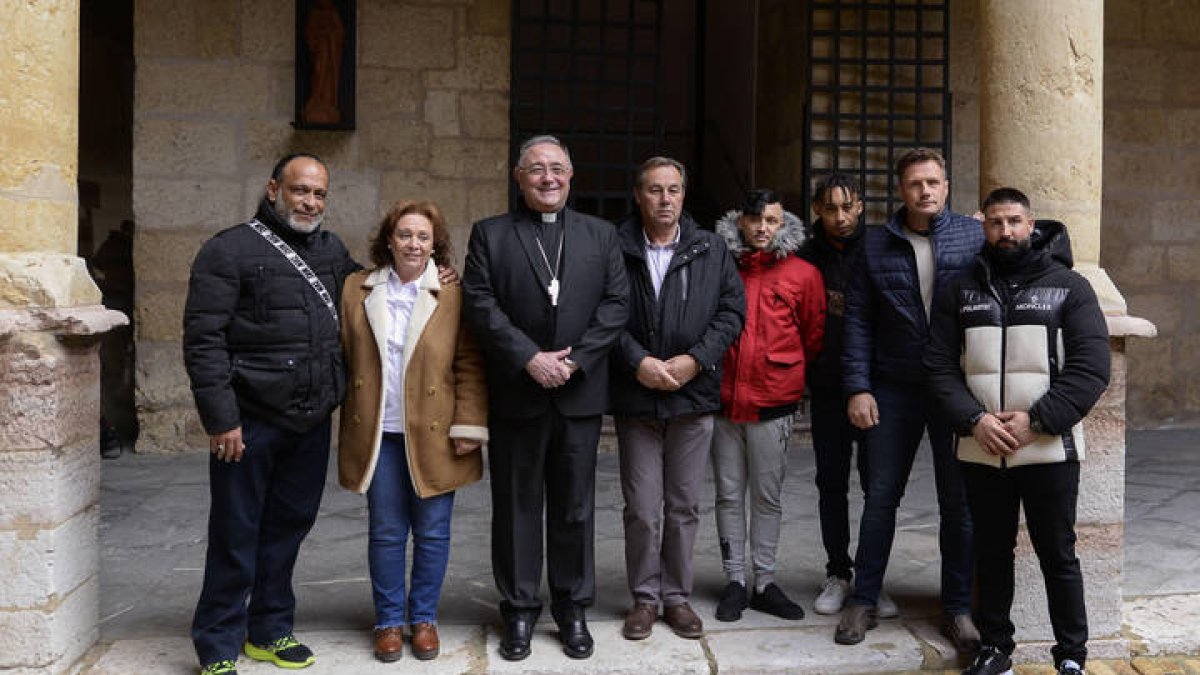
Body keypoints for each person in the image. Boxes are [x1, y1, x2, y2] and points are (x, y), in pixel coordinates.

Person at [183, 153, 359, 675]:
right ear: (273, 189)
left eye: (319, 194)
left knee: (288, 529)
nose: (310, 202)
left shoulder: (332, 251)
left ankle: (270, 631)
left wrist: (426, 267)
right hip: (248, 422)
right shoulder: (227, 250)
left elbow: (370, 293)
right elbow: (203, 341)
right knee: (236, 532)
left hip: (308, 421)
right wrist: (221, 420)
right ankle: (217, 644)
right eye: (301, 190)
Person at [925, 188, 1110, 675]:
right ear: (981, 225)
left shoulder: (1070, 287)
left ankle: (1071, 657)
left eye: (1014, 221)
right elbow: (939, 367)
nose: (1005, 231)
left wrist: (1037, 421)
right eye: (994, 222)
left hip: (1049, 449)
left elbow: (1091, 370)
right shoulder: (959, 289)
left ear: (1032, 225)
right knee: (990, 551)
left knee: (1058, 554)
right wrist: (975, 420)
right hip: (981, 447)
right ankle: (995, 650)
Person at [462, 135, 629, 661]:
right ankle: (517, 611)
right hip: (518, 393)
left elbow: (616, 305)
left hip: (579, 395)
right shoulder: (491, 235)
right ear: (519, 177)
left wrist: (574, 360)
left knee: (575, 507)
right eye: (536, 169)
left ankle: (572, 608)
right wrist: (530, 357)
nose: (548, 178)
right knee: (515, 506)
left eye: (557, 168)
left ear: (571, 175)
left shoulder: (602, 237)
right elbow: (481, 303)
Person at [836, 147, 983, 649]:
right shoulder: (875, 244)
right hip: (892, 387)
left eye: (934, 182)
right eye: (916, 183)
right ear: (901, 190)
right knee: (880, 497)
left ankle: (958, 608)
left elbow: (1033, 247)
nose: (926, 191)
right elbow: (857, 320)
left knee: (958, 503)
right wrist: (858, 386)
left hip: (955, 390)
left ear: (947, 186)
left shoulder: (973, 235)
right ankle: (864, 600)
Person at [337, 200, 488, 663]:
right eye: (405, 234)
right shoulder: (356, 288)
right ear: (389, 239)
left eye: (423, 237)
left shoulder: (451, 293)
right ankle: (387, 621)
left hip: (437, 431)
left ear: (435, 244)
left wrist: (470, 424)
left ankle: (423, 618)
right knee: (385, 531)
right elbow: (340, 352)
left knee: (433, 532)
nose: (414, 244)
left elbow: (470, 362)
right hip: (379, 430)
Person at [611, 157, 745, 641]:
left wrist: (696, 359)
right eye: (654, 190)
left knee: (684, 505)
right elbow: (605, 312)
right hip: (637, 396)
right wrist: (637, 361)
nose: (664, 199)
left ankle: (677, 598)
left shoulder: (710, 248)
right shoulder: (616, 246)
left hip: (693, 397)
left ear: (683, 196)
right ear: (638, 195)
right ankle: (645, 598)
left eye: (673, 190)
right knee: (643, 509)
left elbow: (732, 311)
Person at [709, 189, 822, 622]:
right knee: (728, 494)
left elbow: (812, 334)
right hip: (724, 401)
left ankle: (765, 581)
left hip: (773, 401)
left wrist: (784, 372)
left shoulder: (803, 274)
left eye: (771, 221)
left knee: (767, 497)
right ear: (740, 222)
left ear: (782, 225)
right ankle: (735, 580)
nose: (761, 228)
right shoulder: (721, 269)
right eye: (754, 219)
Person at [799, 174, 897, 617]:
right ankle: (838, 571)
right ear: (817, 209)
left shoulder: (881, 248)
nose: (840, 217)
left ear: (861, 206)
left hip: (878, 387)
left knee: (878, 487)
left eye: (848, 207)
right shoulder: (803, 256)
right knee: (831, 484)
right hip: (826, 388)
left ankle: (871, 579)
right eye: (830, 208)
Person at [91, 219, 138, 458]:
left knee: (115, 367)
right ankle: (108, 423)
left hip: (121, 302)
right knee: (112, 366)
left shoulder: (116, 245)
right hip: (118, 302)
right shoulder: (117, 246)